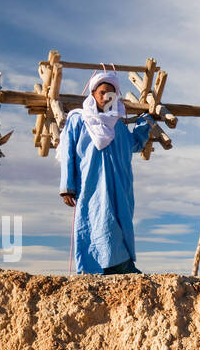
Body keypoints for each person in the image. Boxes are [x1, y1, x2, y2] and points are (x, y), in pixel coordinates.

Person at [57, 69, 155, 274]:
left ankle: (121, 266)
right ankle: (108, 268)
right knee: (98, 222)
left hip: (120, 185)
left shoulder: (117, 125)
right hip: (91, 184)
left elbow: (133, 144)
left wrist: (145, 123)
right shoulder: (79, 119)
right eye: (102, 92)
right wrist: (67, 186)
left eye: (111, 93)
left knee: (119, 222)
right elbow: (67, 151)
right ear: (93, 94)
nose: (106, 97)